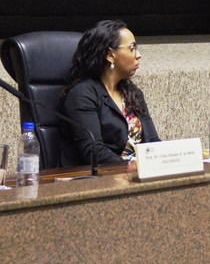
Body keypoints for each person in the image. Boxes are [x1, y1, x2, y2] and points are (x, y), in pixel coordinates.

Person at [60, 20, 160, 166]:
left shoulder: (133, 94)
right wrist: (133, 168)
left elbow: (153, 142)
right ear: (110, 54)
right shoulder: (82, 94)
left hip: (137, 176)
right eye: (132, 48)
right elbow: (94, 152)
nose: (139, 55)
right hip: (100, 180)